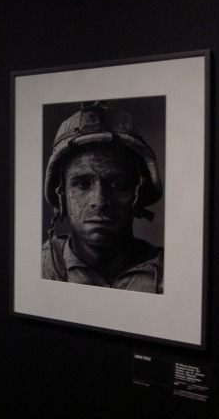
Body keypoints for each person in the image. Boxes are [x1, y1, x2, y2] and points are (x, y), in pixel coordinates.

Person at [41, 101, 164, 294]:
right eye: (82, 184)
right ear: (61, 193)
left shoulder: (170, 275)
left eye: (117, 184)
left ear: (138, 193)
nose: (99, 202)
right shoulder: (41, 266)